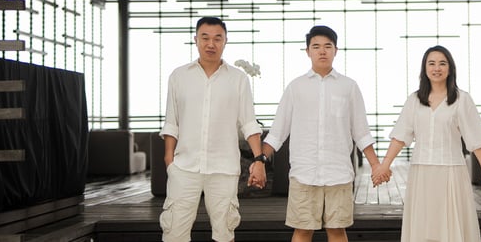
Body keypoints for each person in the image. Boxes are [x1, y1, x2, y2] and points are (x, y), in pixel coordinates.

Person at [260, 25, 386, 242]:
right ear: (307, 51)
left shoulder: (349, 87)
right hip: (304, 173)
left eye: (328, 46)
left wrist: (375, 165)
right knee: (302, 231)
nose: (322, 51)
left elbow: (361, 131)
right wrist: (260, 160)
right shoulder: (295, 87)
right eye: (316, 46)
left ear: (336, 50)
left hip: (338, 173)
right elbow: (278, 131)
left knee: (337, 231)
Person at [371, 45, 481, 242]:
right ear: (425, 68)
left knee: (451, 225)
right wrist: (384, 166)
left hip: (451, 172)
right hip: (421, 172)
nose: (437, 68)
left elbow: (475, 140)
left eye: (442, 63)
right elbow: (400, 136)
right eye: (431, 63)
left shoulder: (462, 99)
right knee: (424, 226)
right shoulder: (414, 100)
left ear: (450, 68)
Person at [158, 17, 267, 242]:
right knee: (174, 233)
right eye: (205, 38)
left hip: (224, 168)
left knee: (225, 232)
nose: (211, 44)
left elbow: (249, 122)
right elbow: (171, 122)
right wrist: (170, 160)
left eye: (217, 38)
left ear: (225, 41)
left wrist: (259, 161)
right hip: (184, 167)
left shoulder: (238, 79)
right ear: (195, 40)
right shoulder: (178, 76)